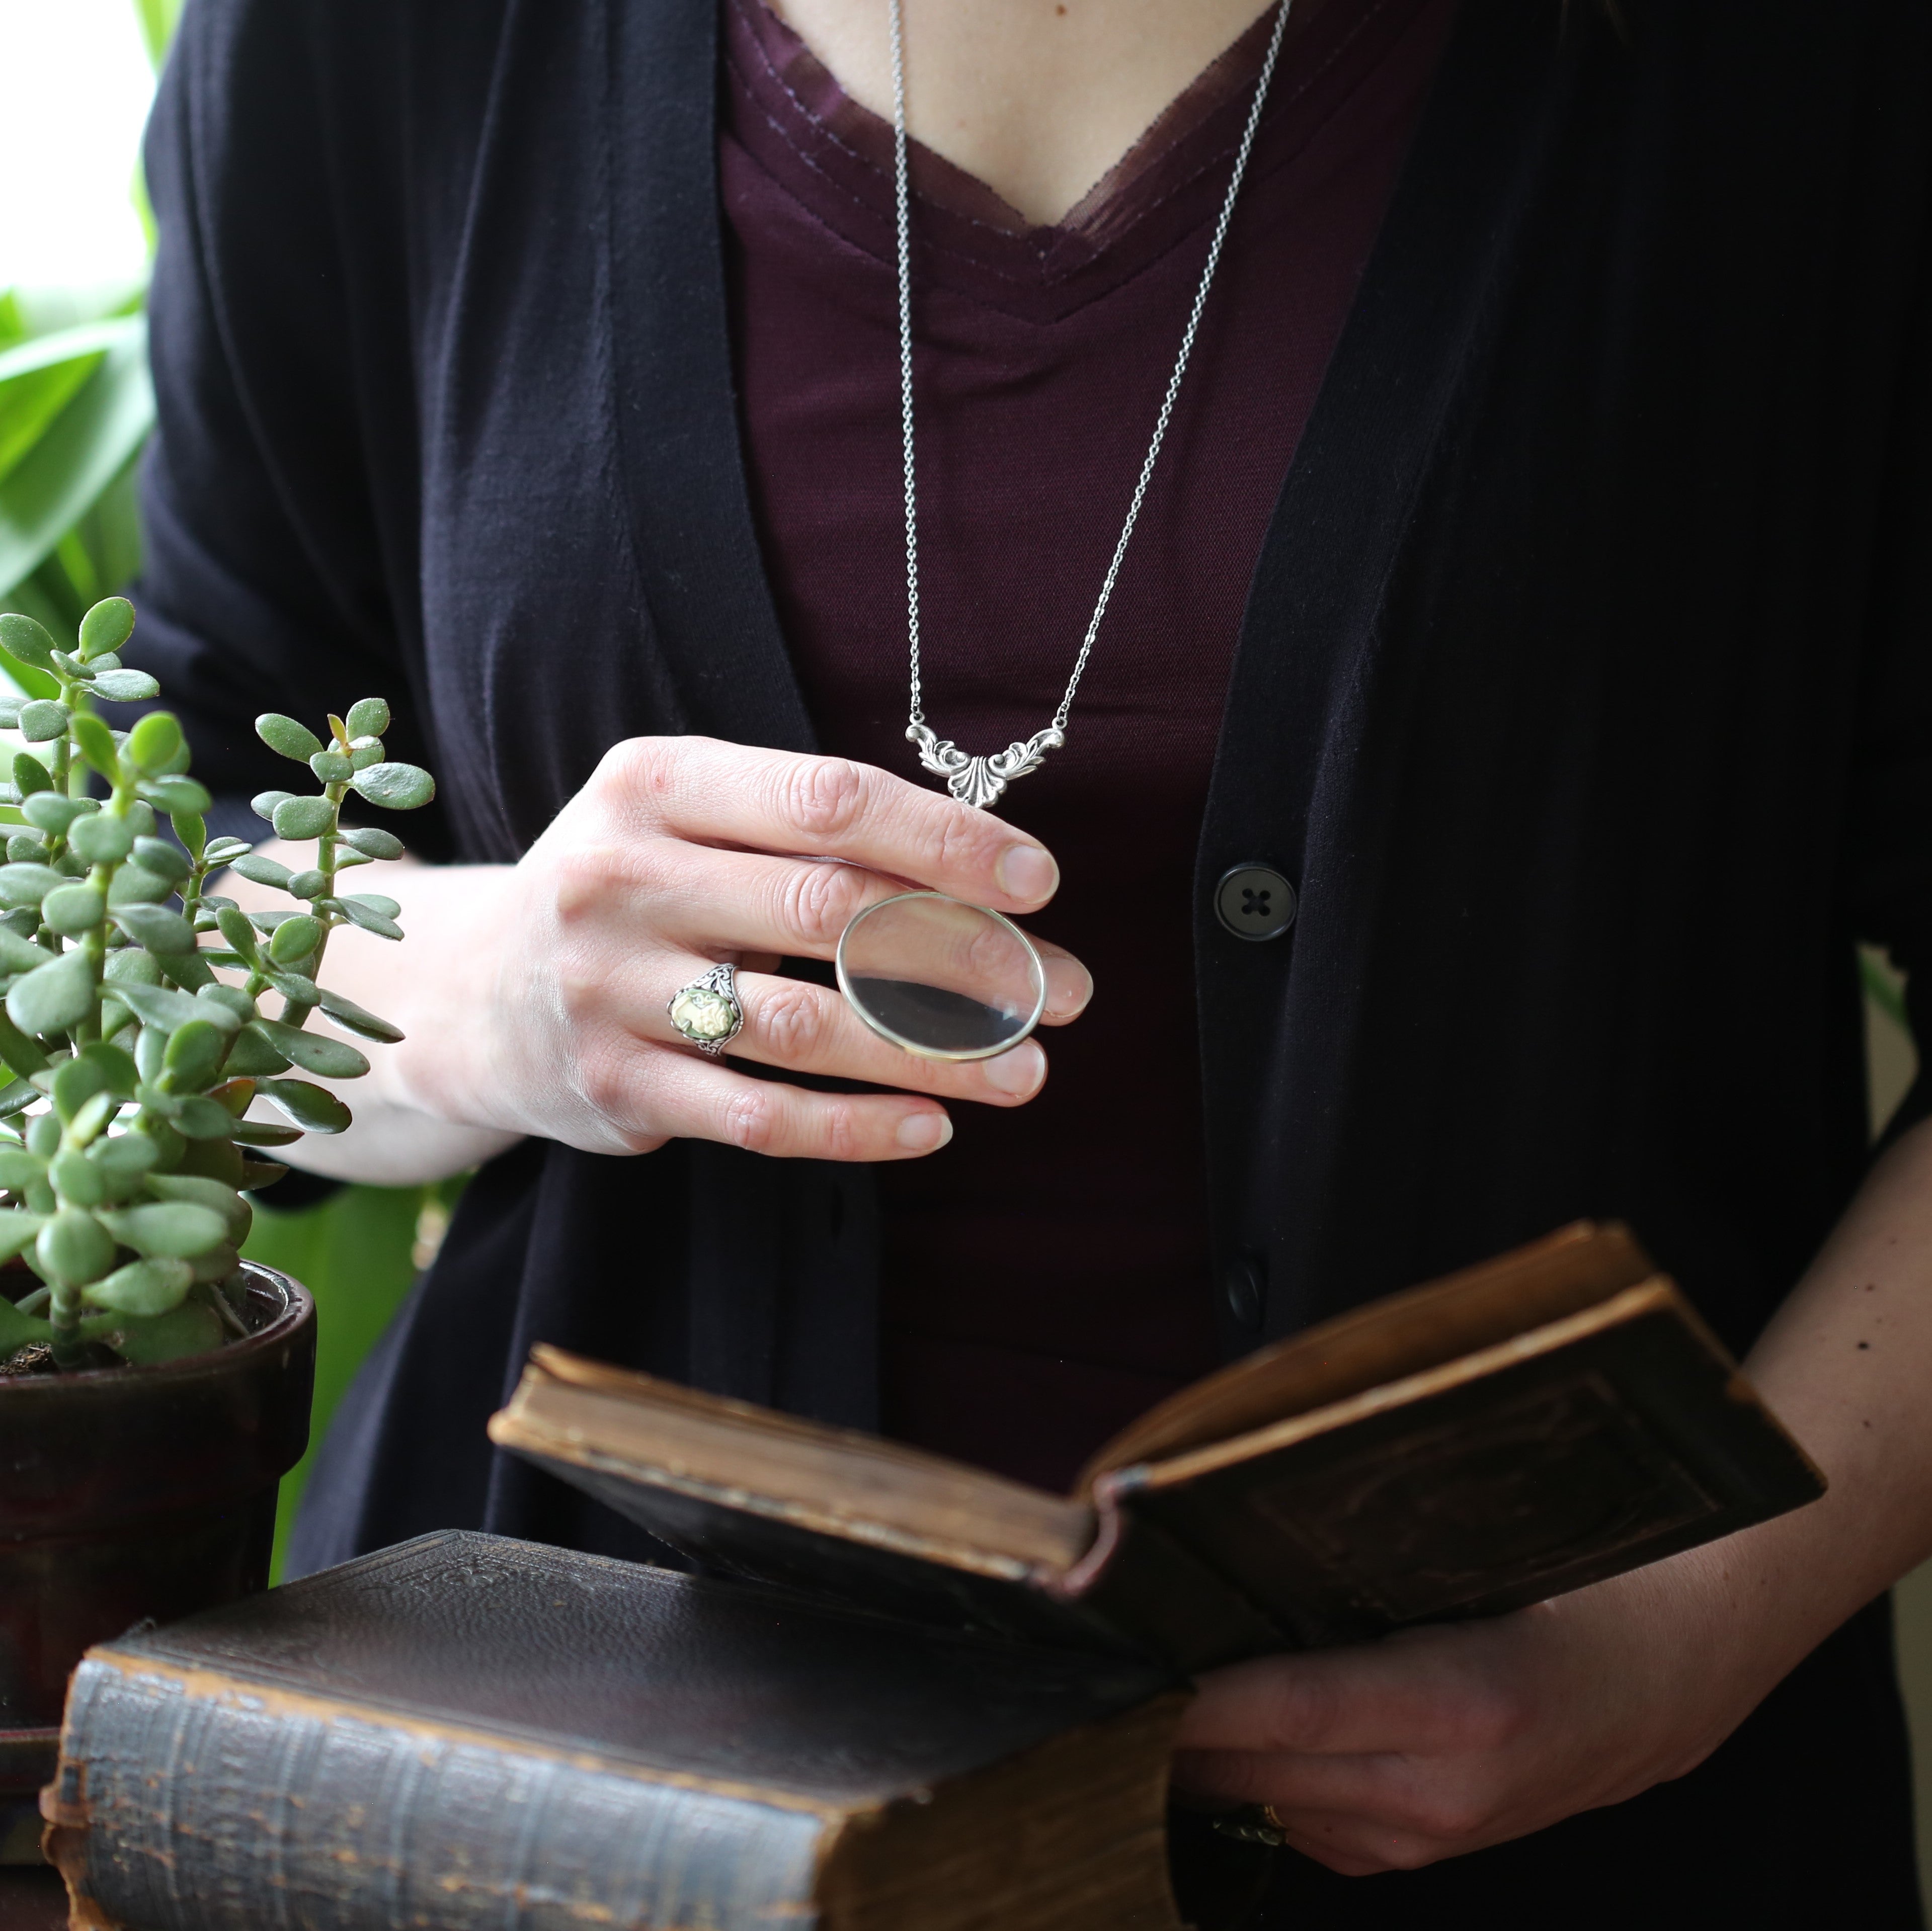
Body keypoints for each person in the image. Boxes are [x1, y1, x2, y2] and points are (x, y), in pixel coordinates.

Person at [127, 0, 1932, 1921]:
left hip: (1570, 1826)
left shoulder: (1815, 79)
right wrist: (488, 992)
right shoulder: (370, 45)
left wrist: (1682, 1643)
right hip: (560, 1804)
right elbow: (187, 870)